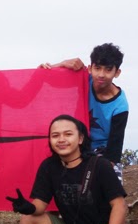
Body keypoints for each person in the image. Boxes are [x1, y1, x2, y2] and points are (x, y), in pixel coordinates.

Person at [43, 42, 129, 181]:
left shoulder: (120, 106)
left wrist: (97, 175)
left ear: (117, 72)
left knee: (110, 188)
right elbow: (48, 78)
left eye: (108, 70)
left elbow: (114, 150)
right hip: (75, 143)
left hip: (102, 151)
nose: (101, 74)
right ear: (89, 68)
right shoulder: (83, 80)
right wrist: (62, 63)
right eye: (97, 68)